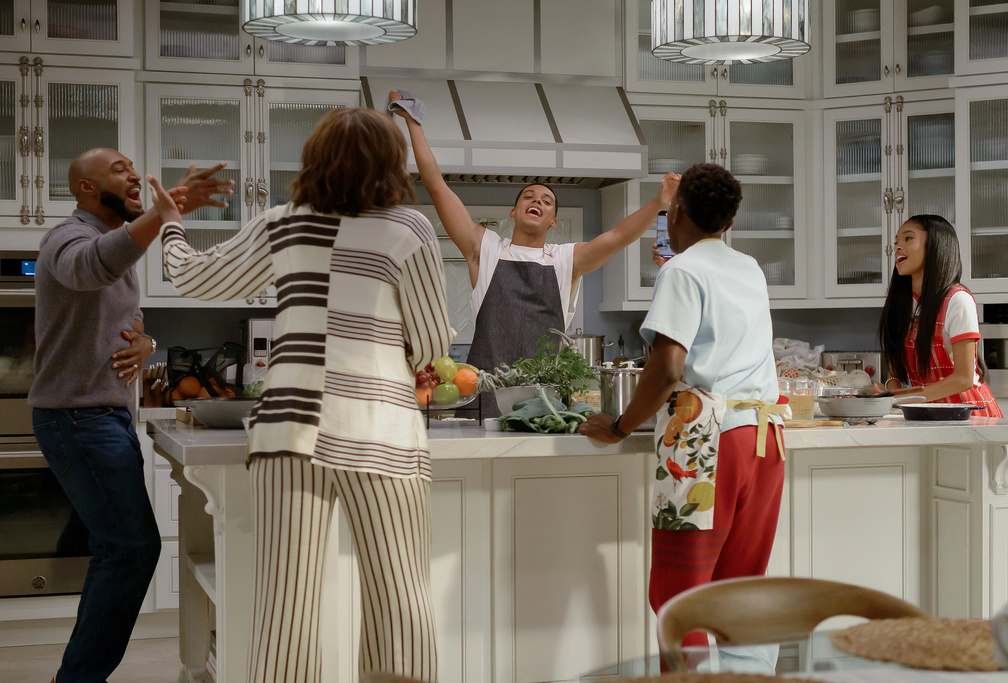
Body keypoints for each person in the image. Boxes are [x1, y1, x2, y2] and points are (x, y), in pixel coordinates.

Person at [147, 107, 454, 682]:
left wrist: (170, 221)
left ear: (313, 157)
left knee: (285, 608)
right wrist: (414, 360)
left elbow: (190, 276)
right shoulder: (408, 229)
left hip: (287, 429)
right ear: (391, 161)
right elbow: (433, 339)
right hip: (379, 429)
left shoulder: (280, 223)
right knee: (399, 594)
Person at [28, 147, 234, 683]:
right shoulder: (64, 240)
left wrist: (148, 341)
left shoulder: (113, 249)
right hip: (78, 420)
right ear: (86, 189)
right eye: (119, 170)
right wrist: (164, 214)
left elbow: (129, 315)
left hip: (100, 419)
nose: (135, 175)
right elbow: (92, 266)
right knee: (130, 550)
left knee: (121, 550)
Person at [580, 163, 786, 647]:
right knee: (740, 595)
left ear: (675, 215)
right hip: (765, 439)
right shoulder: (749, 267)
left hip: (707, 441)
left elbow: (668, 369)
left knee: (682, 601)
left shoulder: (681, 270)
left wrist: (621, 427)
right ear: (728, 223)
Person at [388, 90, 679, 416]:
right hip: (481, 402)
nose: (536, 201)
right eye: (528, 196)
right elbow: (437, 185)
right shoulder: (484, 249)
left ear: (553, 220)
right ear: (513, 212)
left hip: (543, 408)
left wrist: (658, 204)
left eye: (546, 200)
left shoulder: (567, 261)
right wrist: (413, 125)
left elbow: (618, 236)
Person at [876, 214, 1002, 417]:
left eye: (908, 239)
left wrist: (898, 400)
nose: (897, 247)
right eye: (896, 242)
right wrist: (890, 393)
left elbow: (963, 379)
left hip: (970, 417)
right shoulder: (903, 305)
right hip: (927, 415)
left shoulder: (958, 300)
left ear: (936, 245)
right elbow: (894, 373)